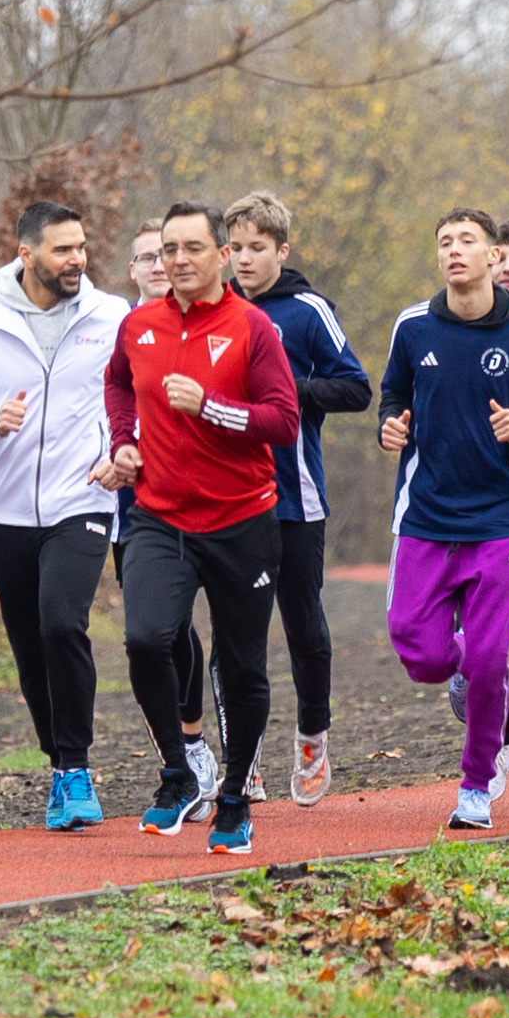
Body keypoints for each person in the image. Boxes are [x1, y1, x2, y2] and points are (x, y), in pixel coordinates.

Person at [101, 199, 298, 852]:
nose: (178, 261)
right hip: (160, 517)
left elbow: (283, 421)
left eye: (192, 248)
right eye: (168, 250)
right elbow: (118, 384)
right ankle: (178, 772)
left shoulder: (252, 327)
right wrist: (124, 442)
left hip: (243, 520)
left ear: (222, 254)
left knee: (241, 666)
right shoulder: (140, 325)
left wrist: (211, 407)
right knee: (145, 639)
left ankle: (235, 798)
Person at [377, 208, 509, 830]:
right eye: (445, 242)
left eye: (467, 241)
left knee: (490, 663)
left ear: (493, 256)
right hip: (424, 517)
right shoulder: (412, 326)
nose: (455, 250)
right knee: (422, 654)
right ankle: (463, 659)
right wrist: (390, 426)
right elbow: (392, 394)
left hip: (497, 521)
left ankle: (475, 785)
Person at [0, 198, 133, 829]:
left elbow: (136, 396)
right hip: (5, 509)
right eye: (62, 249)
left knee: (61, 622)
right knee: (29, 647)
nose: (77, 259)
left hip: (84, 496)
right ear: (26, 254)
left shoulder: (112, 316)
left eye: (81, 247)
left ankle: (76, 768)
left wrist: (123, 451)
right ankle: (59, 766)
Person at [221, 192, 375, 808]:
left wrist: (290, 391)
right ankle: (243, 757)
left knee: (303, 622)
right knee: (236, 633)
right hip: (229, 497)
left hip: (294, 496)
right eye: (236, 247)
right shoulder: (215, 308)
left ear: (281, 251)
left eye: (257, 247)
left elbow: (356, 388)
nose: (244, 259)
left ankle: (313, 735)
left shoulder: (307, 311)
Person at [110, 221, 215, 792]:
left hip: (208, 504)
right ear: (132, 270)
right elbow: (109, 398)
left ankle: (204, 746)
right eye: (147, 257)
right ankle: (182, 753)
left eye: (166, 254)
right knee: (155, 632)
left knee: (189, 628)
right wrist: (117, 450)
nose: (158, 264)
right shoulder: (120, 327)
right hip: (132, 504)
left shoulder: (211, 323)